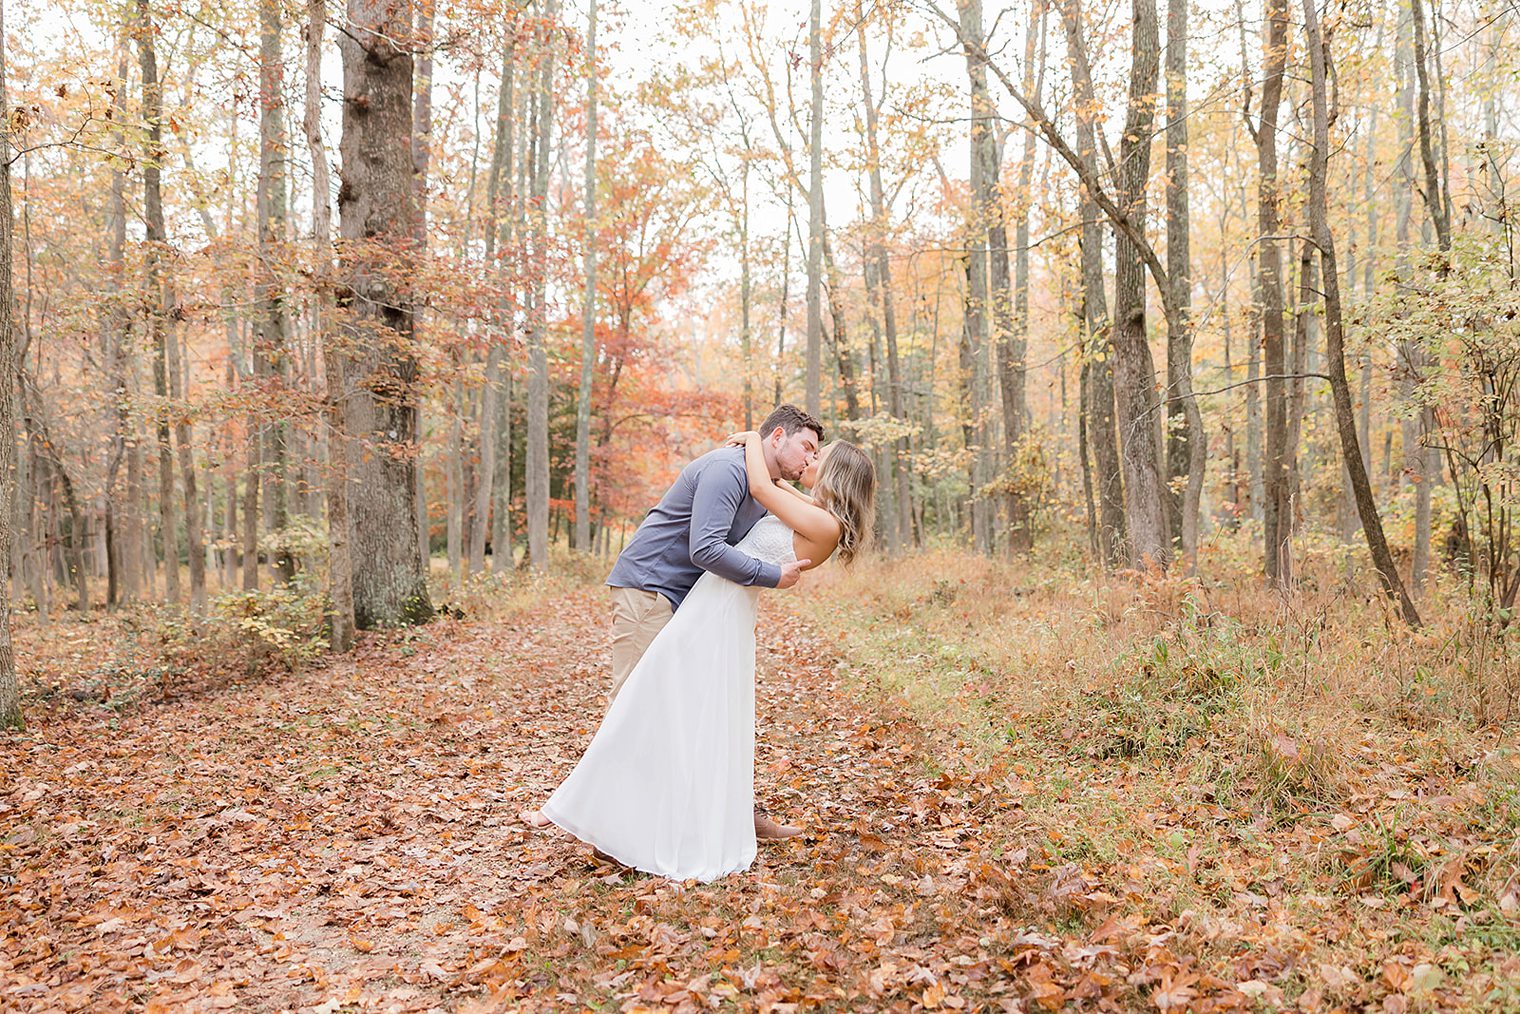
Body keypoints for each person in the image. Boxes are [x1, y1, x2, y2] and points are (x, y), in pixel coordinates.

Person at [519, 417, 876, 882]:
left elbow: (765, 492)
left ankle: (651, 820)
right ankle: (603, 816)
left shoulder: (816, 517)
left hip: (715, 612)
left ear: (836, 476)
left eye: (818, 457)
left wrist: (751, 440)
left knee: (674, 710)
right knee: (647, 704)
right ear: (779, 437)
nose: (810, 459)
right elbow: (741, 510)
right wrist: (755, 445)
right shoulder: (787, 496)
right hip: (683, 598)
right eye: (808, 448)